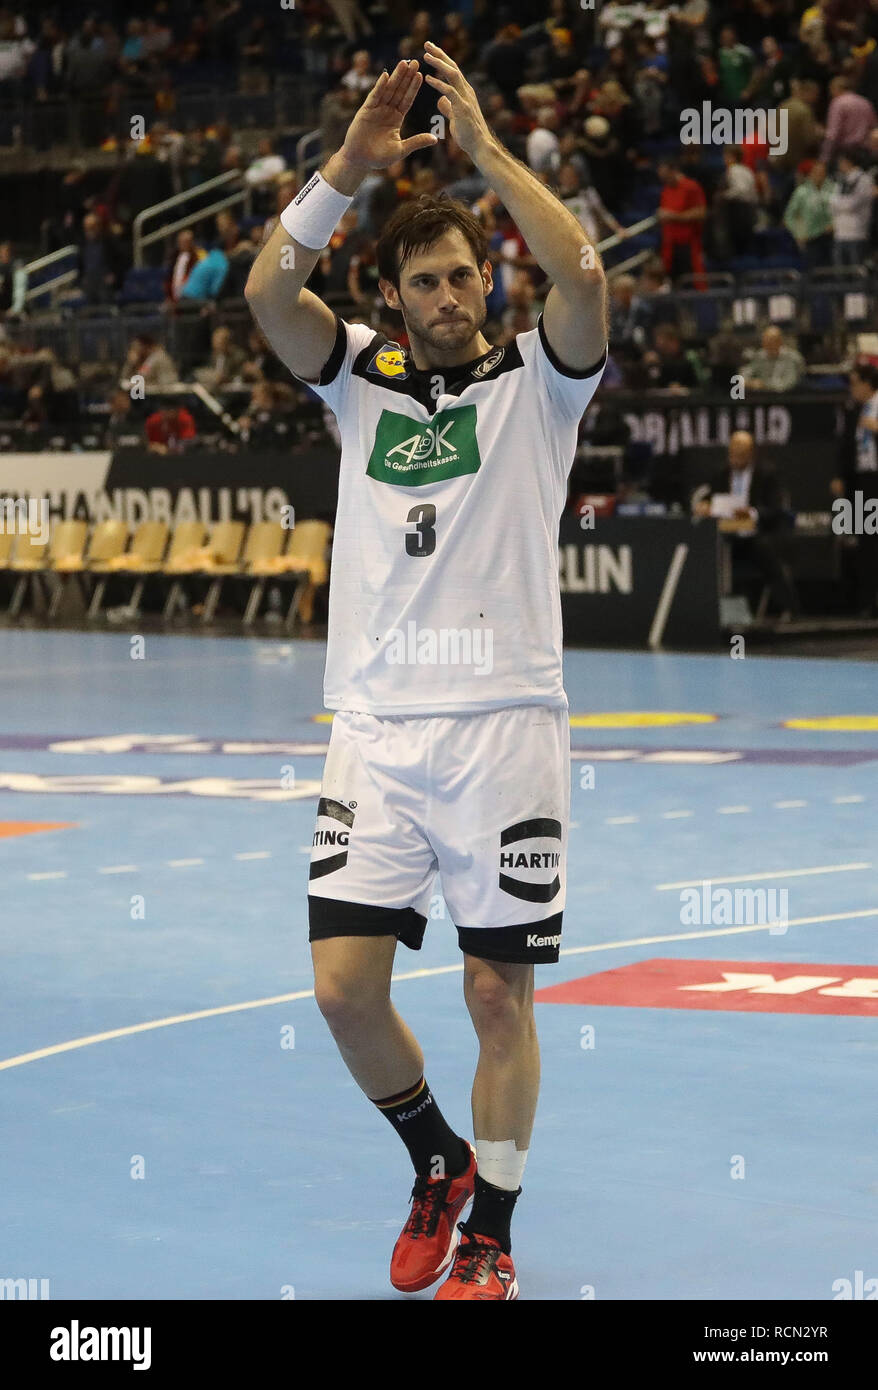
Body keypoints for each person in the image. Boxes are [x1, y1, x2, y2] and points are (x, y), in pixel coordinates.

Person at [246, 46, 608, 1301]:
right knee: (344, 991)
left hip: (503, 732)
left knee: (494, 999)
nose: (448, 294)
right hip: (378, 732)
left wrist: (491, 154)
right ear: (393, 295)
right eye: (425, 279)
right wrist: (346, 170)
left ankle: (494, 1234)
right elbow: (267, 298)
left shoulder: (539, 384)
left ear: (484, 282)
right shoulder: (357, 376)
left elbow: (583, 272)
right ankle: (434, 1157)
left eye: (464, 275)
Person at [694, 430, 800, 618]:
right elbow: (710, 499)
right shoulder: (720, 474)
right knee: (711, 549)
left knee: (764, 550)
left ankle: (788, 606)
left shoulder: (767, 474)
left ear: (751, 453)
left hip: (760, 533)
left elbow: (775, 508)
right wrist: (705, 506)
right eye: (733, 452)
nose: (735, 458)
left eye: (741, 453)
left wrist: (749, 514)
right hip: (729, 535)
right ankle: (709, 609)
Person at [831, 362, 878, 615]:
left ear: (867, 383)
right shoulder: (852, 409)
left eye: (855, 384)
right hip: (862, 481)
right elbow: (844, 443)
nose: (852, 389)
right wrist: (840, 475)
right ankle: (865, 602)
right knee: (864, 541)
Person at [656, 156, 706, 280]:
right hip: (670, 245)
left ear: (674, 171)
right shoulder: (666, 190)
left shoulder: (691, 186)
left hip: (688, 244)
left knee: (690, 280)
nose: (664, 180)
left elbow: (701, 212)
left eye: (666, 176)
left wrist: (673, 216)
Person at [783, 161, 834, 268]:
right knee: (813, 271)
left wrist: (834, 223)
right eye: (816, 172)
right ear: (811, 173)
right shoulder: (801, 192)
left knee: (832, 270)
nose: (819, 175)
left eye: (822, 172)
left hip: (832, 236)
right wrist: (798, 233)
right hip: (811, 237)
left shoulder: (834, 189)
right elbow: (789, 216)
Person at [829, 148, 875, 266]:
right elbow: (831, 201)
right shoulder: (841, 180)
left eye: (841, 161)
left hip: (857, 233)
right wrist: (840, 203)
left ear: (847, 161)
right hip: (839, 233)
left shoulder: (864, 179)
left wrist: (839, 203)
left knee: (857, 273)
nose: (839, 165)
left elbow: (853, 204)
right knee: (840, 274)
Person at [741, 326, 805, 393]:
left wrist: (764, 385)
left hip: (787, 397)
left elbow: (788, 384)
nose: (768, 346)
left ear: (780, 342)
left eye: (772, 342)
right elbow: (746, 373)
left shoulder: (792, 358)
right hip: (763, 397)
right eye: (765, 342)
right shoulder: (759, 356)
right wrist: (749, 382)